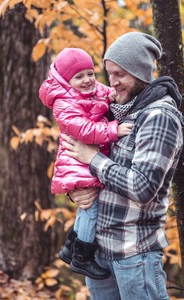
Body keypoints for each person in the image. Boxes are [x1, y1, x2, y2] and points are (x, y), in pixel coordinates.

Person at [62, 32, 184, 299]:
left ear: (140, 72)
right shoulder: (118, 111)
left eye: (120, 74)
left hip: (134, 254)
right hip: (99, 254)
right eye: (109, 73)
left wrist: (93, 159)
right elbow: (83, 161)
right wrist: (76, 191)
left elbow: (142, 187)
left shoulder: (158, 117)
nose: (112, 82)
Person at [38, 48, 133, 280]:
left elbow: (103, 90)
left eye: (90, 73)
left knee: (87, 208)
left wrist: (112, 94)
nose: (87, 80)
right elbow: (83, 130)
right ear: (66, 81)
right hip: (76, 161)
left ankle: (71, 247)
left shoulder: (89, 90)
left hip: (86, 159)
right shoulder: (64, 103)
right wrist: (113, 130)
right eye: (79, 77)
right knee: (91, 208)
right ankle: (83, 257)